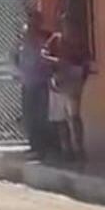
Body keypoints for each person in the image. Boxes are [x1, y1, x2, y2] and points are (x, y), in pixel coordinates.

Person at [42, 26, 90, 161]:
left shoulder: (79, 42)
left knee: (74, 117)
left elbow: (85, 62)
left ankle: (78, 149)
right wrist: (55, 62)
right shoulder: (56, 39)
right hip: (59, 82)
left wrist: (80, 78)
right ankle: (66, 149)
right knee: (60, 119)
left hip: (73, 83)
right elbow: (43, 54)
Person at [13, 10, 51, 157]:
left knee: (42, 115)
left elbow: (49, 56)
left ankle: (43, 147)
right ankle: (34, 145)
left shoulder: (46, 37)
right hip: (27, 82)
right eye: (29, 21)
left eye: (34, 21)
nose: (31, 24)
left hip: (42, 82)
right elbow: (14, 56)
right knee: (30, 115)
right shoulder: (22, 39)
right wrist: (18, 72)